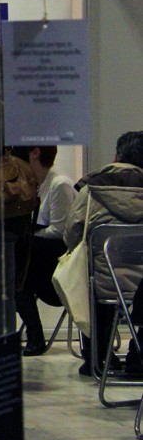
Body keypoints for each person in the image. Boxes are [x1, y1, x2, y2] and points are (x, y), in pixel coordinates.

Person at [61, 132, 143, 376]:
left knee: (89, 276)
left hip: (102, 282)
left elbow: (72, 235)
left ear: (117, 156)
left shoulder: (91, 190)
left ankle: (97, 358)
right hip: (142, 287)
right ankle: (138, 356)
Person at [12, 145, 75, 356]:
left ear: (35, 153)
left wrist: (27, 235)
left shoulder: (59, 184)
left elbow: (60, 231)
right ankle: (34, 334)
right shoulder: (36, 184)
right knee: (14, 270)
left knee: (15, 267)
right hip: (40, 256)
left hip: (58, 258)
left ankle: (35, 335)